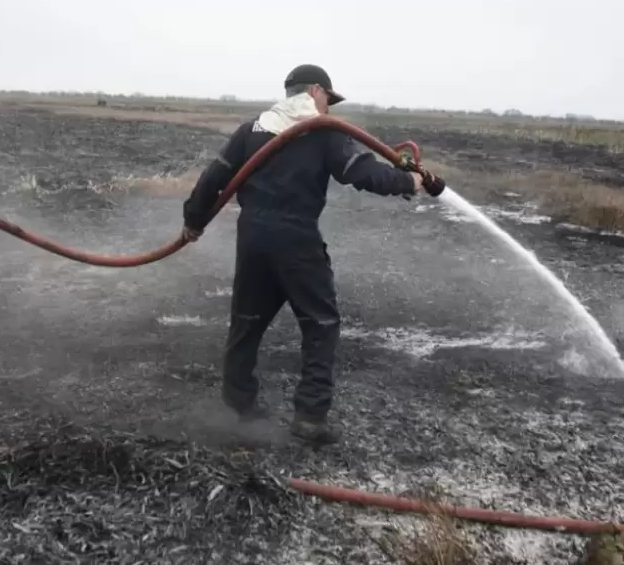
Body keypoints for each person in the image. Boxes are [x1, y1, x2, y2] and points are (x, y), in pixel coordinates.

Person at [180, 64, 445, 444]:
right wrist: (410, 180)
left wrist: (194, 219)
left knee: (247, 322)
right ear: (316, 91)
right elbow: (364, 173)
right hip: (297, 240)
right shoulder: (322, 133)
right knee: (320, 323)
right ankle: (309, 417)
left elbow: (214, 176)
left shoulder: (253, 129)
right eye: (328, 100)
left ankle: (239, 407)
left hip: (252, 238)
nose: (329, 109)